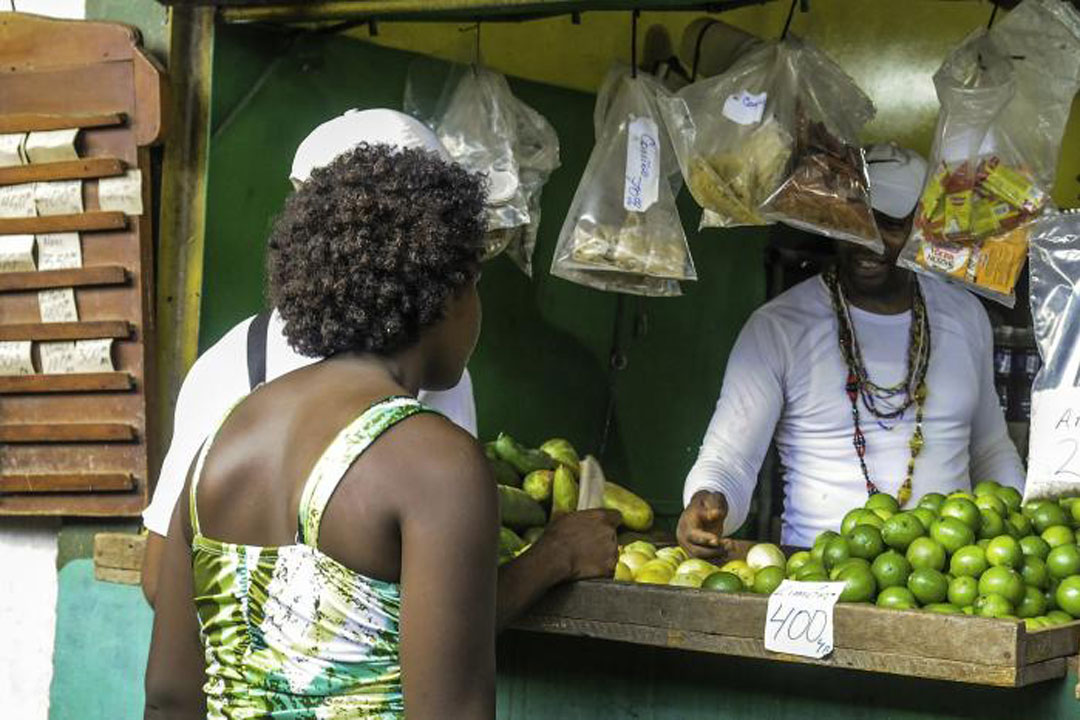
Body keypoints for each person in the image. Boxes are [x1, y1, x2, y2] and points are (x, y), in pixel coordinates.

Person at [140, 110, 619, 631]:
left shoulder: (443, 375)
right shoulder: (230, 369)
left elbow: (442, 595)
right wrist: (553, 560)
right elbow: (449, 629)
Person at [678, 143, 1025, 555]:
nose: (869, 242)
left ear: (920, 229)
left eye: (890, 226)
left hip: (951, 582)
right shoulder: (779, 327)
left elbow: (989, 449)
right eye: (856, 223)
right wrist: (709, 501)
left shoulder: (965, 316)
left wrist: (1024, 530)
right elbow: (730, 458)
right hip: (819, 573)